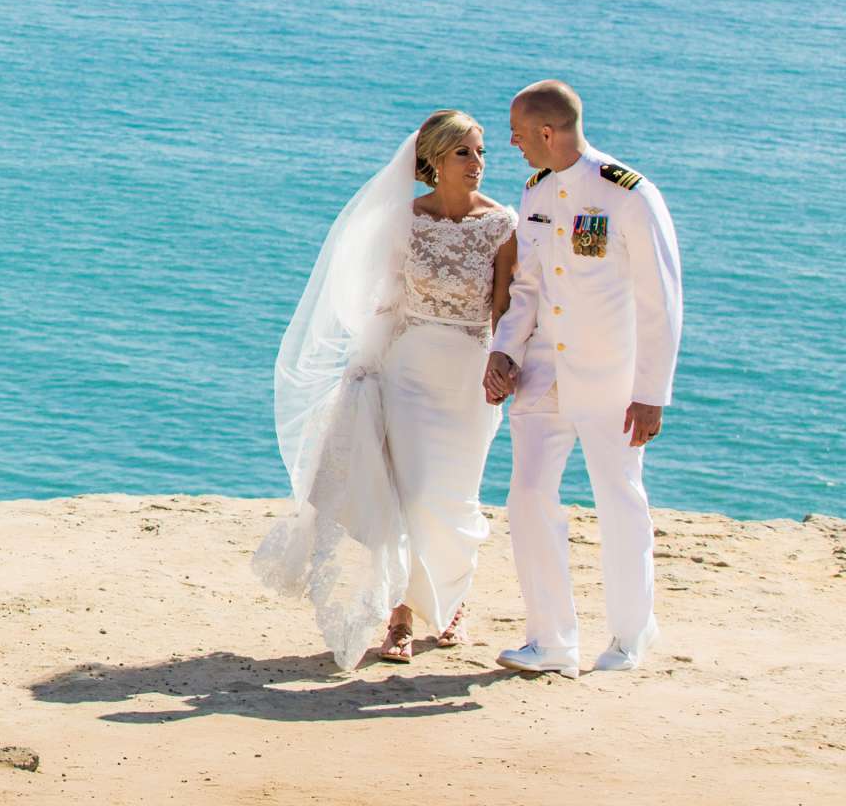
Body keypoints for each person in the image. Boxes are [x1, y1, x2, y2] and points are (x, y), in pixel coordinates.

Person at [253, 110, 515, 671]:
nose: (478, 165)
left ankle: (452, 600)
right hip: (409, 372)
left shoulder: (502, 225)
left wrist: (505, 364)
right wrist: (365, 367)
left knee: (454, 500)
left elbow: (506, 310)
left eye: (482, 152)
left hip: (468, 377)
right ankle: (400, 614)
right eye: (465, 153)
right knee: (410, 496)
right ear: (436, 160)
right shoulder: (405, 220)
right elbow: (384, 297)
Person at [484, 80, 682, 677]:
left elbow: (660, 300)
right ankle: (550, 641)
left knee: (619, 500)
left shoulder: (628, 194)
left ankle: (627, 639)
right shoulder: (536, 190)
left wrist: (652, 393)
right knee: (528, 497)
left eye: (519, 132)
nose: (512, 142)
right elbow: (529, 286)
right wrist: (506, 350)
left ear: (548, 132)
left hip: (610, 381)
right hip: (545, 374)